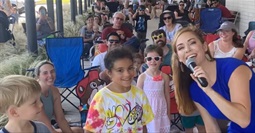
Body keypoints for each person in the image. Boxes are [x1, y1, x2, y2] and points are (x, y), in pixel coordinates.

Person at [171, 26, 255, 132]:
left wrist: (209, 90)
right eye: (181, 48)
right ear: (179, 58)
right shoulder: (195, 88)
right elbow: (211, 127)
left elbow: (243, 120)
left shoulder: (234, 68)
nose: (187, 49)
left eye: (192, 43)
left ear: (205, 46)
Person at [84, 47, 154, 132]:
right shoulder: (101, 98)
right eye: (120, 70)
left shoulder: (140, 94)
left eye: (130, 68)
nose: (127, 74)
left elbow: (144, 126)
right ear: (109, 73)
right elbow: (90, 130)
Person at [34, 60, 83, 133]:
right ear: (38, 76)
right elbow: (48, 128)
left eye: (52, 71)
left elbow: (60, 118)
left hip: (48, 127)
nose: (50, 75)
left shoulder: (54, 91)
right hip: (36, 129)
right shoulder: (34, 94)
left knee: (79, 131)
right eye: (45, 73)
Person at [137, 45, 171, 132]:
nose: (153, 61)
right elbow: (138, 98)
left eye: (156, 58)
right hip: (148, 110)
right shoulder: (142, 77)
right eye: (149, 59)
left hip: (161, 109)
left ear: (161, 59)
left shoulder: (165, 76)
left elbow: (167, 95)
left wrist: (168, 112)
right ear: (145, 60)